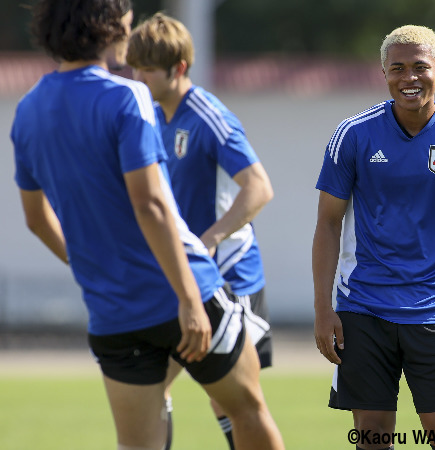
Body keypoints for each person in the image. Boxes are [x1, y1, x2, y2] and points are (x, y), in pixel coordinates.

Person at [11, 1, 284, 449]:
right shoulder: (128, 97)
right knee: (247, 410)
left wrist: (93, 270)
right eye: (125, 21)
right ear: (105, 27)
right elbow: (151, 206)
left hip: (112, 309)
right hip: (180, 290)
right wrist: (189, 299)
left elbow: (37, 220)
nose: (129, 29)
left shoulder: (27, 111)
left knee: (138, 444)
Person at [313, 25, 435, 450]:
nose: (409, 77)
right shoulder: (353, 135)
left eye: (420, 67)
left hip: (434, 309)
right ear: (384, 73)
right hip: (362, 308)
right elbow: (327, 224)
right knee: (372, 437)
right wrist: (323, 309)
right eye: (397, 68)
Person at [126, 13, 275, 450]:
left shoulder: (208, 116)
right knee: (155, 387)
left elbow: (259, 188)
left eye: (147, 70)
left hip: (230, 276)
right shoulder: (152, 117)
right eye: (135, 68)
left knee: (232, 398)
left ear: (179, 68)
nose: (138, 78)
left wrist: (209, 240)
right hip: (186, 277)